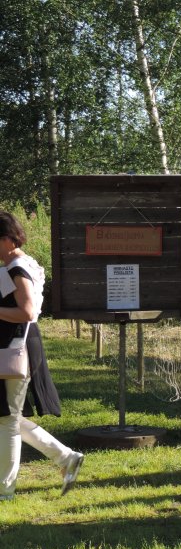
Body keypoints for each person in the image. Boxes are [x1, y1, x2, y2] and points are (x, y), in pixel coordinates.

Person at [0, 211, 84, 500]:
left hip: (16, 346)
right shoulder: (21, 263)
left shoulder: (16, 267)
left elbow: (26, 311)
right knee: (8, 417)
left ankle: (5, 492)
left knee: (8, 420)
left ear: (8, 239)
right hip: (18, 343)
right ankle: (66, 457)